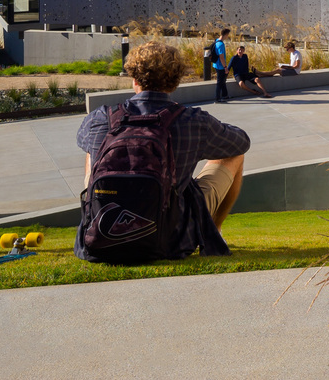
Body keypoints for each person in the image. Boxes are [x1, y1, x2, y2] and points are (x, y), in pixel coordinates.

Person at [75, 42, 250, 261]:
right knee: (234, 155)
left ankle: (96, 218)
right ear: (175, 82)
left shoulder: (101, 117)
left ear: (134, 79)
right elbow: (241, 143)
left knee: (93, 151)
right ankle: (215, 231)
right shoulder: (192, 120)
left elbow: (81, 140)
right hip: (171, 240)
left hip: (103, 236)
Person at [211, 29, 231, 103]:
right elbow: (221, 57)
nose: (227, 37)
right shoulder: (221, 44)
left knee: (223, 81)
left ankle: (225, 95)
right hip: (220, 66)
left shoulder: (216, 40)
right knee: (220, 82)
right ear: (225, 35)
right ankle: (217, 98)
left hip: (216, 64)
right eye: (228, 35)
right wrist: (225, 67)